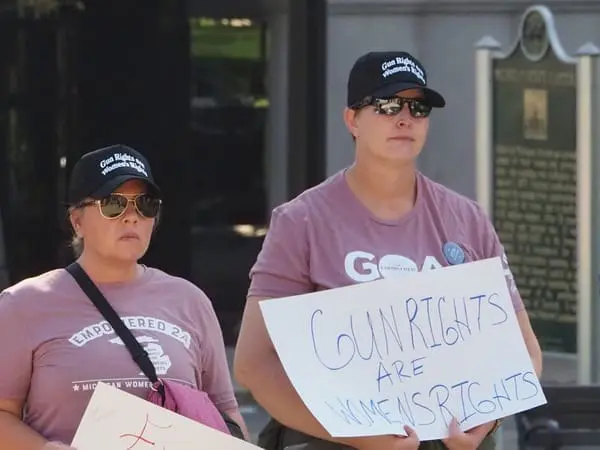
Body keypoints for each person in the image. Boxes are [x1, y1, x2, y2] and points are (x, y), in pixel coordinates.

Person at [234, 51, 543, 450]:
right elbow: (254, 364)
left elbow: (524, 350)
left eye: (418, 107)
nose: (404, 118)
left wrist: (491, 416)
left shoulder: (467, 219)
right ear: (352, 120)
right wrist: (361, 437)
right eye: (387, 105)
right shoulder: (301, 221)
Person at [0, 144, 248, 449]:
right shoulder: (24, 303)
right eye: (113, 204)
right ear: (77, 221)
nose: (131, 217)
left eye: (145, 205)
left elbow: (227, 417)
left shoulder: (190, 300)